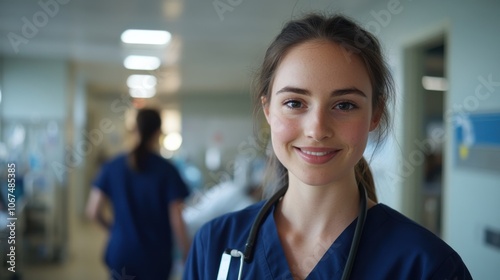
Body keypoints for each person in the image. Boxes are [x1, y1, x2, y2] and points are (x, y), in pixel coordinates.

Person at [183, 14, 472, 279]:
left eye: (344, 105)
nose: (317, 129)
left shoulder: (428, 266)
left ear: (375, 115)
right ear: (268, 110)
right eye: (295, 103)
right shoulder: (216, 244)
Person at [86, 108, 191, 280]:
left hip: (121, 252)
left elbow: (92, 211)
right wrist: (187, 252)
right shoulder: (167, 171)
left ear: (134, 130)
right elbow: (176, 220)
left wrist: (114, 230)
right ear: (158, 133)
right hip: (155, 257)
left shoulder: (112, 166)